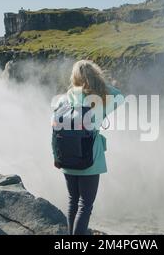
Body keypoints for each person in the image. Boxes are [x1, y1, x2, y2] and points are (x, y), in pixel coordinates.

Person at [52, 60, 123, 235]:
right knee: (86, 205)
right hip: (90, 161)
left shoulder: (64, 99)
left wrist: (56, 156)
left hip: (66, 158)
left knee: (72, 202)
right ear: (94, 77)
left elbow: (54, 131)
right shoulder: (98, 101)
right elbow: (119, 95)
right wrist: (98, 82)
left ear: (74, 78)